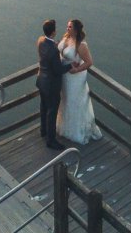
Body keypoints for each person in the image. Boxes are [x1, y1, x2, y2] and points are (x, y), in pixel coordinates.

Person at [56, 19, 98, 145]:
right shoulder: (66, 38)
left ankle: (75, 131)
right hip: (65, 75)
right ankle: (64, 126)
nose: (67, 28)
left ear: (75, 29)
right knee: (64, 99)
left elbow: (89, 62)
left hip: (74, 77)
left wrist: (77, 69)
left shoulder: (81, 45)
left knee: (73, 101)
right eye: (67, 26)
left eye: (70, 27)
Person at [35, 19, 67, 150]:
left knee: (43, 106)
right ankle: (51, 140)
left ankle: (43, 130)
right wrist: (70, 66)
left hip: (41, 80)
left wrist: (56, 44)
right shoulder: (54, 50)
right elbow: (58, 70)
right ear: (53, 32)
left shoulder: (40, 41)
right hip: (51, 85)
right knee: (52, 111)